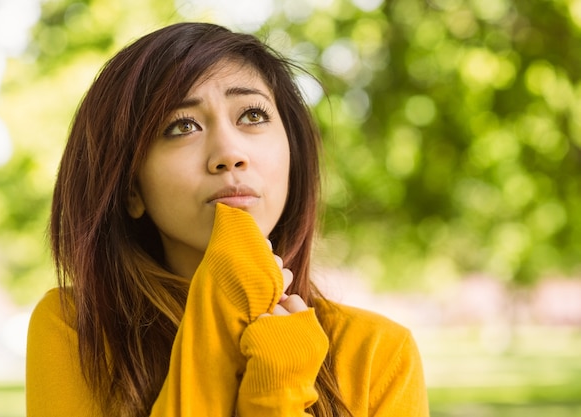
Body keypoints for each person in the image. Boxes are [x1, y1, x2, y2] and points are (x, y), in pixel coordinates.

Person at [26, 22, 429, 417]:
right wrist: (220, 315)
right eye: (182, 125)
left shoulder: (379, 353)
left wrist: (277, 390)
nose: (229, 152)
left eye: (252, 116)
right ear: (132, 190)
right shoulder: (78, 330)